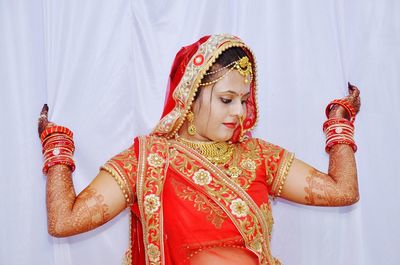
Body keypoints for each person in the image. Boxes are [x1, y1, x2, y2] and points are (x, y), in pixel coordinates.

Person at [38, 34, 361, 265]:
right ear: (190, 98)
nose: (239, 112)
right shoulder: (149, 160)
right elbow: (64, 221)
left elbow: (342, 190)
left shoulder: (258, 156)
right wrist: (58, 147)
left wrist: (339, 123)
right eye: (226, 99)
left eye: (244, 100)